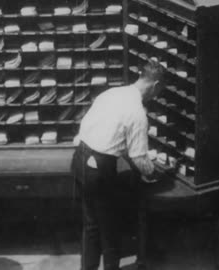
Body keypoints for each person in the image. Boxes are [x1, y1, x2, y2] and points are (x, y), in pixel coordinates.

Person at [71, 59, 165, 270]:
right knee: (110, 230)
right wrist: (156, 172)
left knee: (91, 226)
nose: (157, 96)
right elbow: (140, 158)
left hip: (79, 160)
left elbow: (101, 131)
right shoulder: (137, 114)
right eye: (159, 91)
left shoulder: (111, 94)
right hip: (100, 172)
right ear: (155, 85)